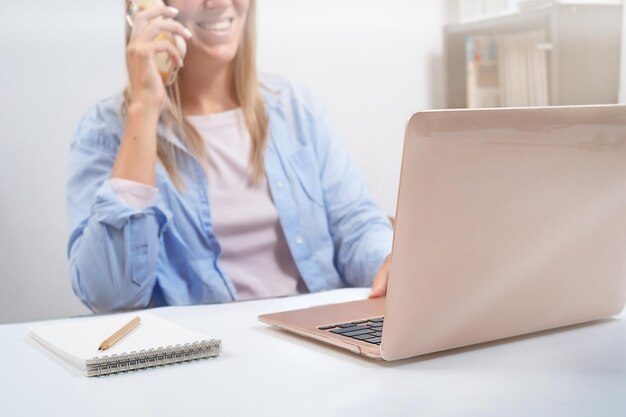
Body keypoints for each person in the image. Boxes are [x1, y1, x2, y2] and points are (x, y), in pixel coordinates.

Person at [66, 0, 393, 313]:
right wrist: (144, 109)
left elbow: (355, 225)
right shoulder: (107, 130)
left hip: (317, 345)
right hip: (206, 359)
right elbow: (109, 296)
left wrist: (392, 262)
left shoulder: (297, 108)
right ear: (147, 5)